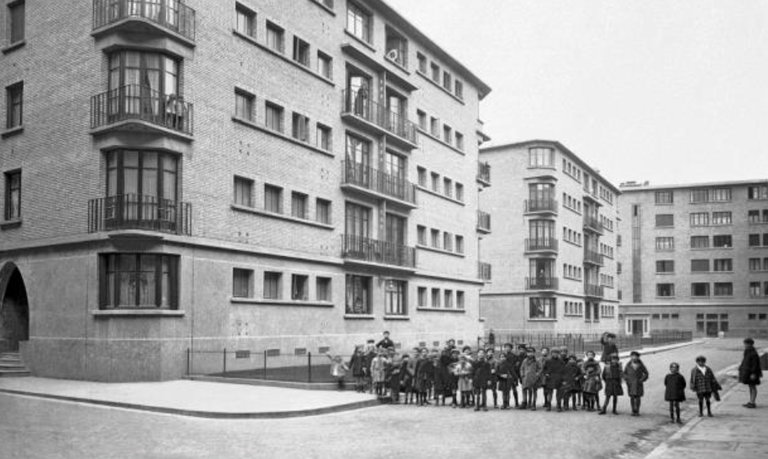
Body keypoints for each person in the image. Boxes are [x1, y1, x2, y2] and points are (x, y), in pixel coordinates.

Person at [623, 351, 650, 416]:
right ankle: (633, 410)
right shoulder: (628, 365)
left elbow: (646, 373)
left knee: (638, 397)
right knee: (632, 397)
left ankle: (637, 410)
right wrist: (627, 379)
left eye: (635, 357)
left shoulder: (641, 365)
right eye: (632, 356)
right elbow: (624, 373)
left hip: (638, 383)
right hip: (631, 383)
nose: (634, 358)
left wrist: (642, 379)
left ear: (638, 357)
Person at [739, 337, 762, 409]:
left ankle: (753, 402)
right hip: (747, 372)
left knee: (753, 386)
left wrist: (753, 373)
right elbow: (744, 361)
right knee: (750, 386)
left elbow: (755, 364)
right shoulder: (747, 351)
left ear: (750, 344)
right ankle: (751, 401)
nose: (745, 345)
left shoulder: (753, 353)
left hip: (752, 373)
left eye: (746, 344)